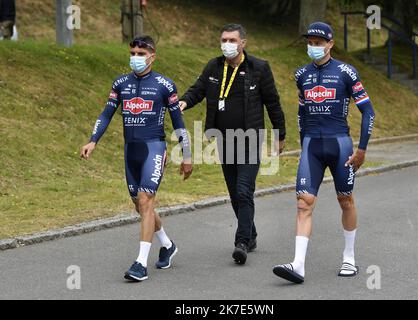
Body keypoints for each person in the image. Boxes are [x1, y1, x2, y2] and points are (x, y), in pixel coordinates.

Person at [80, 35, 193, 282]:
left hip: (154, 148)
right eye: (132, 53)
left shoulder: (165, 85)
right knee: (140, 205)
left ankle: (140, 263)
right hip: (131, 150)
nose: (135, 58)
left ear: (153, 56)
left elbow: (178, 122)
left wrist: (187, 154)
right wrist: (93, 140)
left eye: (141, 54)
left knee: (146, 199)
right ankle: (167, 245)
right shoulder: (120, 83)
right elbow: (106, 113)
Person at [273, 22, 376, 284]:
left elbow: (368, 112)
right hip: (311, 147)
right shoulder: (301, 75)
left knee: (345, 200)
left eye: (319, 43)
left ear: (330, 44)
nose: (314, 47)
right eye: (310, 42)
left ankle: (349, 257)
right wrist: (302, 143)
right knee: (303, 203)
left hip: (340, 145)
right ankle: (297, 265)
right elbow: (301, 112)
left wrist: (362, 149)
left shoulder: (346, 72)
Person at [179, 24, 286, 266]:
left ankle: (241, 243)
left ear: (243, 43)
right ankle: (252, 234)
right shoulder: (214, 66)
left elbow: (273, 103)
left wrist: (280, 135)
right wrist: (184, 102)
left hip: (250, 139)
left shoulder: (258, 68)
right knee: (234, 193)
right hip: (224, 140)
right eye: (224, 39)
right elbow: (198, 90)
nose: (227, 43)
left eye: (232, 39)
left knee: (243, 189)